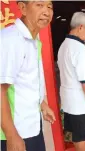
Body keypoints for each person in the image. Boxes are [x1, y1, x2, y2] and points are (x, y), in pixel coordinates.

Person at [0, 1, 55, 151]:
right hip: (14, 132)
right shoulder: (10, 40)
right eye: (39, 5)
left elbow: (25, 81)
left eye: (49, 6)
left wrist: (42, 104)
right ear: (23, 8)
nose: (46, 11)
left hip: (31, 127)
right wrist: (11, 135)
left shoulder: (33, 40)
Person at [57, 12, 85, 151]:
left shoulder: (64, 45)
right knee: (82, 135)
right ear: (80, 27)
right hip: (80, 103)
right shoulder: (80, 49)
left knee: (75, 134)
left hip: (69, 101)